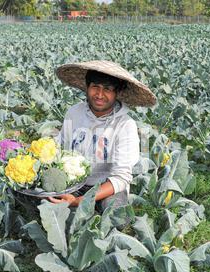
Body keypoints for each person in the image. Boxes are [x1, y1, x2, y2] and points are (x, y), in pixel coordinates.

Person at [48, 60, 157, 213]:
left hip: (106, 186)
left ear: (117, 93)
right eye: (95, 87)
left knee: (116, 216)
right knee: (41, 200)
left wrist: (79, 201)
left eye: (107, 89)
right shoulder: (74, 113)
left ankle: (92, 208)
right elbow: (60, 147)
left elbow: (121, 178)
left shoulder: (125, 125)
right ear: (87, 87)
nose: (99, 94)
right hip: (73, 183)